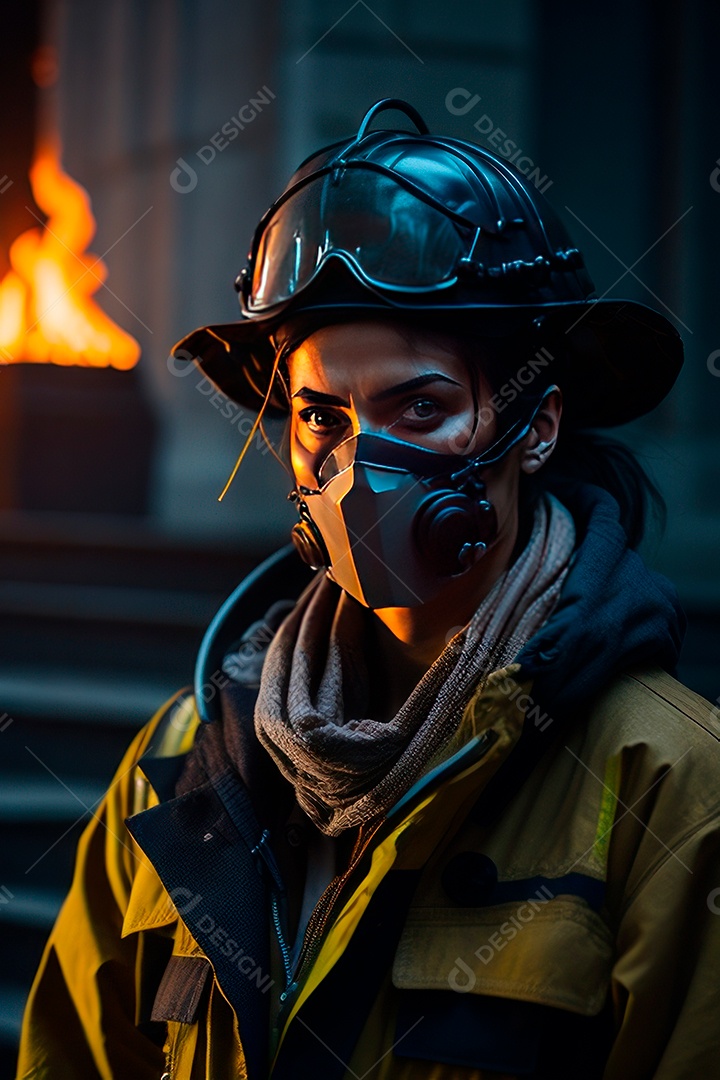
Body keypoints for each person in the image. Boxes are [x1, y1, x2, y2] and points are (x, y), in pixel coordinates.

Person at [16, 99, 720, 1080]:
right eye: (322, 416)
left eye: (420, 407)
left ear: (539, 426)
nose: (357, 469)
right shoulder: (182, 765)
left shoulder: (671, 789)